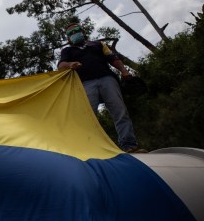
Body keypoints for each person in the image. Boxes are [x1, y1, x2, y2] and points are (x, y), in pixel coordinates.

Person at [58, 23, 144, 153]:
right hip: (85, 84)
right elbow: (61, 66)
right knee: (89, 118)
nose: (74, 34)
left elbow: (112, 58)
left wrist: (124, 71)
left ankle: (129, 145)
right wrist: (70, 64)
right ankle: (92, 150)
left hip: (107, 79)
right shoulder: (67, 51)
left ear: (82, 31)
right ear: (68, 38)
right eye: (70, 33)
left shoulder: (97, 44)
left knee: (120, 112)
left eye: (76, 30)